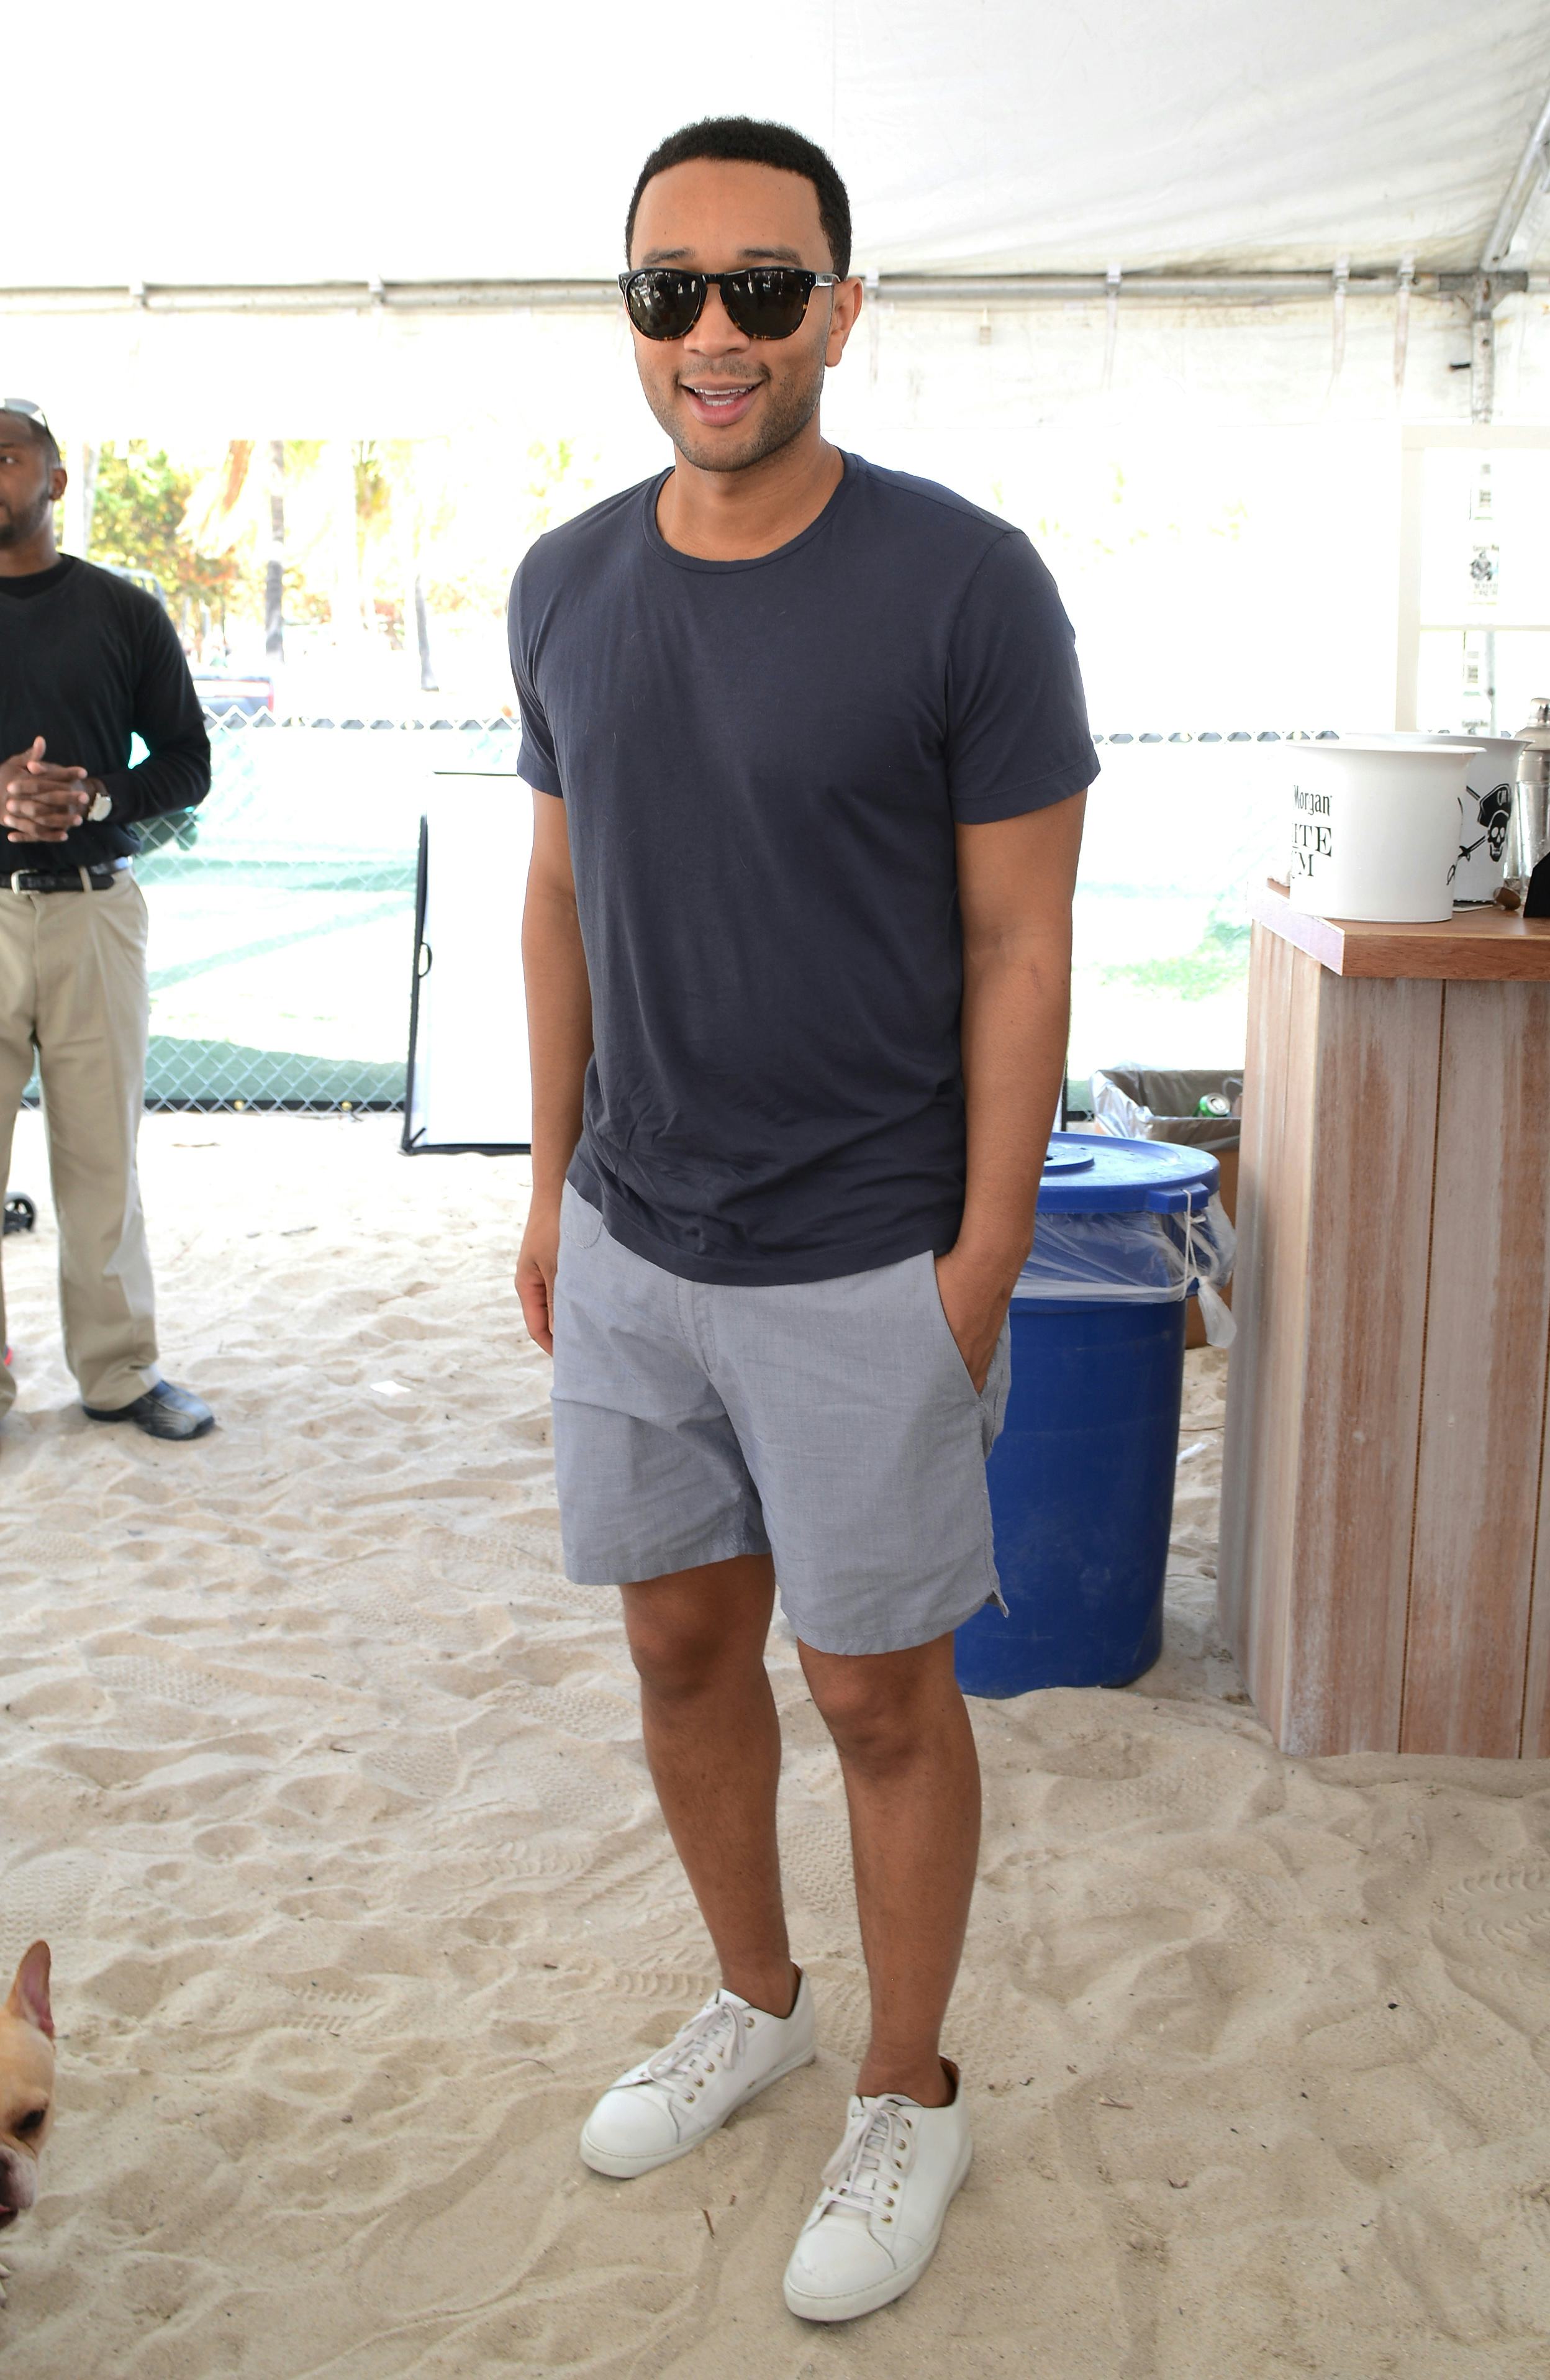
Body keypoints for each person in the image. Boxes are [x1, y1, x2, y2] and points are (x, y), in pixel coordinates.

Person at [511, 119, 1094, 2323]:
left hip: (867, 1252)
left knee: (874, 1691)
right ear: (631, 315)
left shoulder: (966, 583)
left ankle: (907, 2086)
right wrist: (549, 1185)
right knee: (677, 1649)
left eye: (764, 286)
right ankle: (752, 2000)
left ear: (842, 308)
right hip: (634, 1241)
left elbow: (1021, 945)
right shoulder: (563, 581)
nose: (716, 331)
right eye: (670, 290)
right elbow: (559, 893)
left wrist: (984, 1258)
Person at [0, 399, 214, 1441]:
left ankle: (120, 1374)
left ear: (54, 479)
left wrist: (94, 799)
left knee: (100, 1162)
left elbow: (188, 762)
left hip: (95, 916)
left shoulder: (123, 613)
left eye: (8, 457)